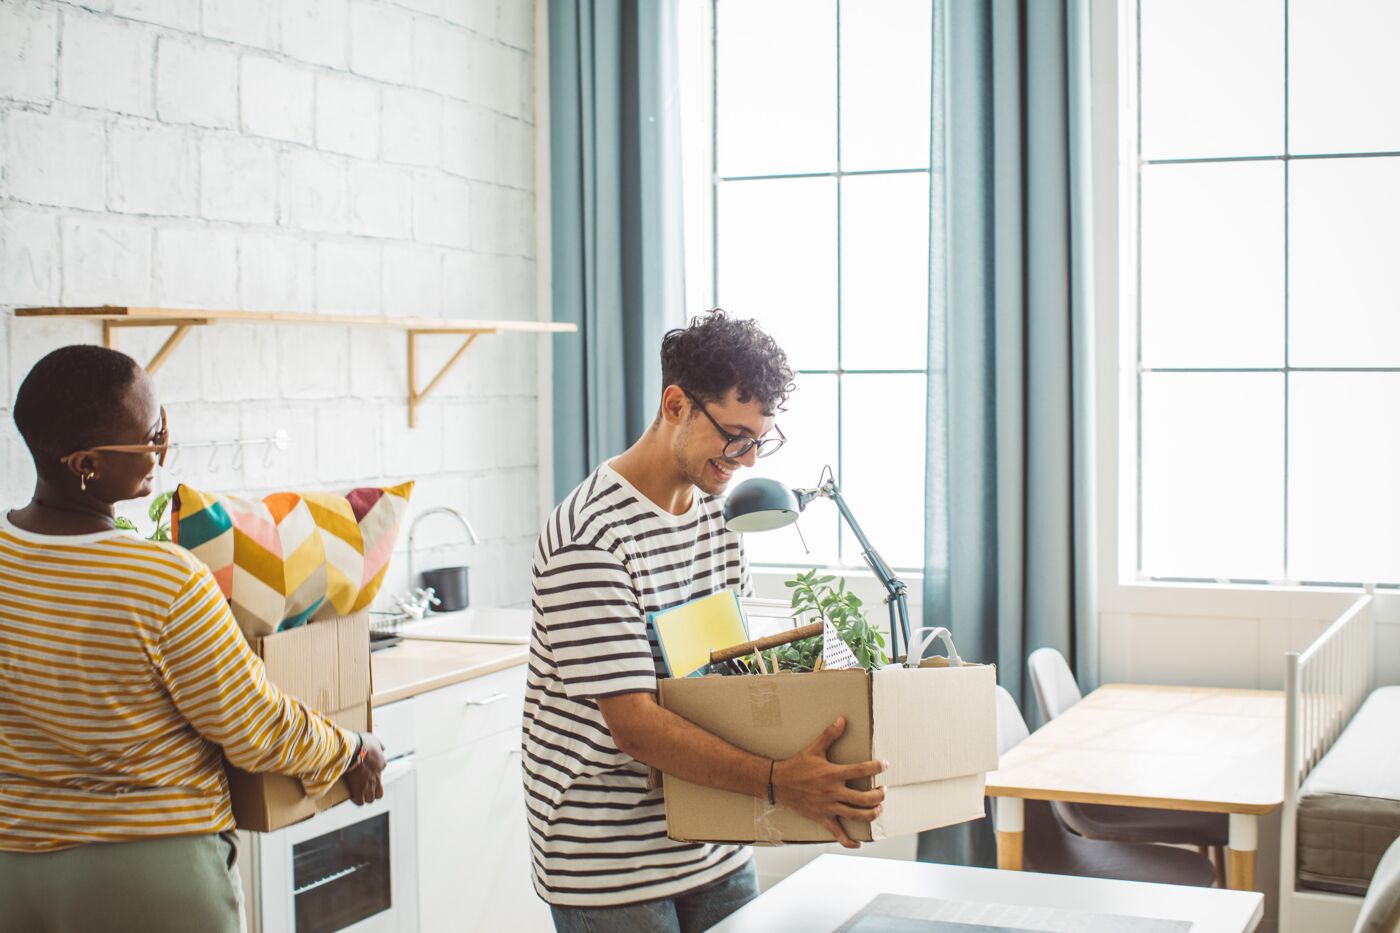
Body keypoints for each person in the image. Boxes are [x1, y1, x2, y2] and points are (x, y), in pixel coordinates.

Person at [0, 345, 388, 933]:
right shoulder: (165, 581)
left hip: (15, 875)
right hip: (152, 879)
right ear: (86, 464)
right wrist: (352, 749)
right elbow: (256, 727)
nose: (162, 446)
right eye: (151, 435)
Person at [523, 311, 888, 932]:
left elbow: (725, 674)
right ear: (675, 404)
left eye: (759, 442)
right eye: (734, 436)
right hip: (611, 855)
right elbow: (634, 726)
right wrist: (779, 782)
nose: (745, 461)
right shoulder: (590, 537)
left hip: (715, 826)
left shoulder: (718, 519)